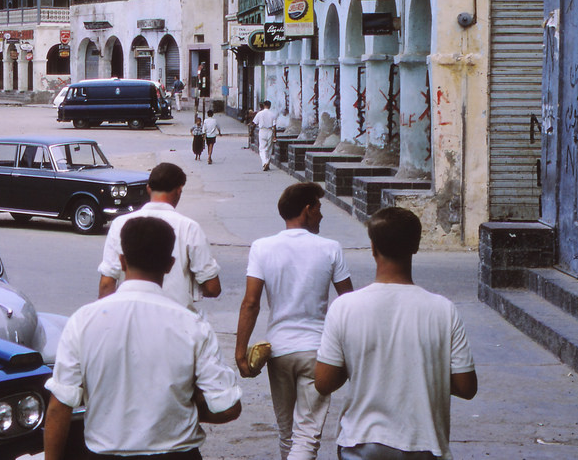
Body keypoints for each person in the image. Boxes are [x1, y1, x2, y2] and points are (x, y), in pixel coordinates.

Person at [46, 216, 242, 460]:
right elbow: (228, 407)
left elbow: (58, 407)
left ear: (122, 261)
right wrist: (181, 410)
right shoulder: (192, 326)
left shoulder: (83, 321)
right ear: (169, 265)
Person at [315, 207, 477, 460]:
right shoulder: (443, 310)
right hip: (424, 445)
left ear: (373, 248)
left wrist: (363, 364)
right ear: (416, 246)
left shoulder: (344, 307)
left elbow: (324, 382)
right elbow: (466, 387)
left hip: (361, 442)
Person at [235, 182, 353, 460]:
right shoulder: (330, 248)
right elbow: (349, 302)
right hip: (317, 352)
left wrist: (240, 353)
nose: (321, 215)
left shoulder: (262, 247)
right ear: (307, 209)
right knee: (307, 436)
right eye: (319, 208)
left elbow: (251, 303)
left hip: (279, 351)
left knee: (287, 433)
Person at [98, 162, 221, 310]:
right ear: (179, 191)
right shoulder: (189, 228)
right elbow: (213, 288)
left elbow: (107, 284)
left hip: (130, 314)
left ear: (148, 189)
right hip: (176, 317)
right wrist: (185, 286)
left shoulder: (120, 224)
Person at [253, 100, 277, 171]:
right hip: (270, 131)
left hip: (262, 131)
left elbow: (254, 123)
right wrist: (275, 136)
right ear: (270, 106)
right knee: (269, 149)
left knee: (262, 148)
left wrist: (251, 131)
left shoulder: (259, 113)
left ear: (264, 105)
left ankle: (265, 162)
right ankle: (267, 163)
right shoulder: (273, 114)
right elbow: (274, 126)